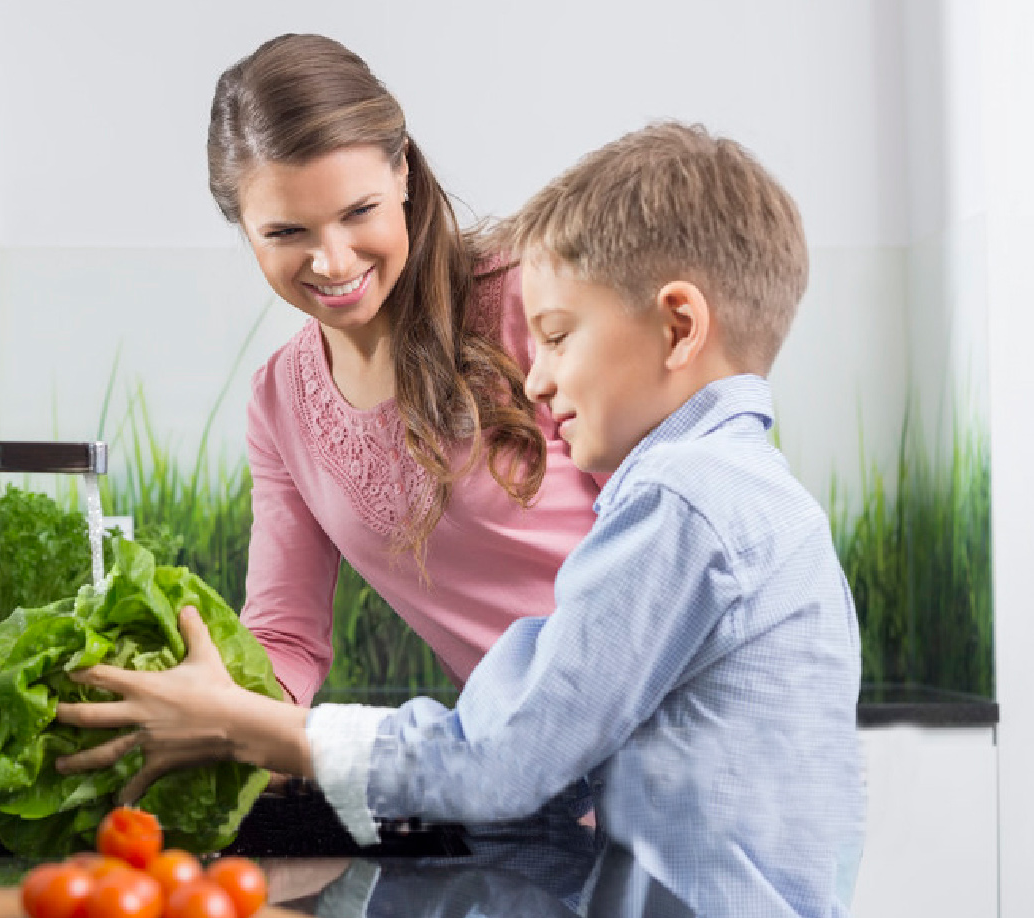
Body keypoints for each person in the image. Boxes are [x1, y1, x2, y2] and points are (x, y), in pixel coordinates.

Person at [57, 121, 866, 918]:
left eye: (554, 337)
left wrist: (252, 730)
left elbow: (501, 756)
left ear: (679, 326)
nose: (537, 381)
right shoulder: (729, 487)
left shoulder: (682, 503)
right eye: (286, 229)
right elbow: (538, 747)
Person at [200, 32, 601, 710]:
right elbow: (284, 639)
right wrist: (206, 709)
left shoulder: (527, 303)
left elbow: (671, 529)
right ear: (244, 228)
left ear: (404, 175)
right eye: (285, 233)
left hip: (670, 761)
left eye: (359, 212)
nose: (332, 261)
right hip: (522, 784)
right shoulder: (278, 401)